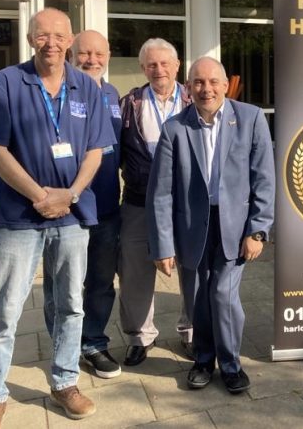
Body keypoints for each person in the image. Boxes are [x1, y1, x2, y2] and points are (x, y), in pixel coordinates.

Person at [0, 8, 115, 428]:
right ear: (31, 38)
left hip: (71, 215)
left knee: (70, 305)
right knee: (5, 310)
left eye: (59, 35)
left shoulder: (86, 87)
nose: (51, 43)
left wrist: (70, 195)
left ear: (70, 40)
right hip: (19, 216)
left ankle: (65, 382)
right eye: (43, 35)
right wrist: (40, 196)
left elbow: (95, 152)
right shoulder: (7, 83)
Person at [147, 56, 274, 394]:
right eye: (199, 83)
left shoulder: (250, 119)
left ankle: (230, 365)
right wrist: (162, 246)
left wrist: (257, 230)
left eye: (213, 81)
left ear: (225, 85)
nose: (207, 89)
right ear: (188, 88)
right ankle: (203, 360)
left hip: (236, 226)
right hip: (191, 228)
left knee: (222, 294)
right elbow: (161, 193)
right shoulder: (174, 128)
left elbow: (264, 179)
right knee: (197, 295)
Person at [118, 38, 192, 366]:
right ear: (143, 68)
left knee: (192, 268)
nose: (158, 69)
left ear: (177, 66)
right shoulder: (128, 103)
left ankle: (192, 332)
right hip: (138, 202)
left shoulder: (195, 99)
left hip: (187, 203)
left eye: (165, 63)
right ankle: (140, 336)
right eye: (151, 64)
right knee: (134, 270)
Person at [69, 30, 123, 378]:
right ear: (72, 55)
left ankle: (93, 343)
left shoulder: (112, 93)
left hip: (106, 206)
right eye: (85, 53)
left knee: (101, 282)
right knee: (65, 285)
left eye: (98, 54)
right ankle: (65, 345)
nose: (92, 60)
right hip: (69, 210)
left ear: (108, 56)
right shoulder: (60, 90)